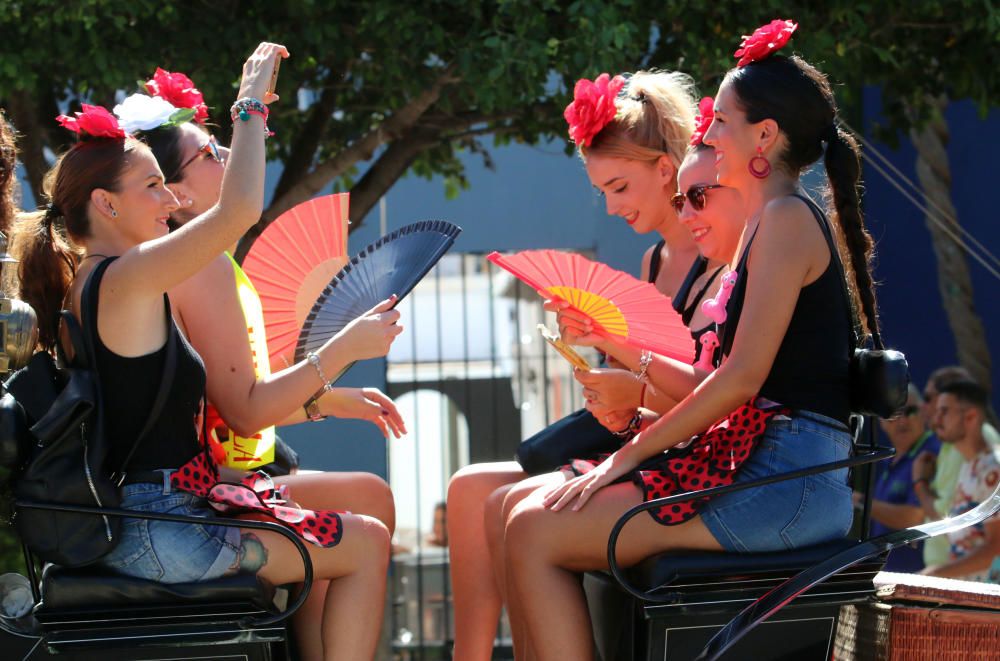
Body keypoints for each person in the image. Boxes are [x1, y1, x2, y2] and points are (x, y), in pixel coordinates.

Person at [499, 20, 879, 658]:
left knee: (536, 531)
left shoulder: (785, 219)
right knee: (524, 521)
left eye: (721, 122)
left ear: (765, 136)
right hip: (765, 469)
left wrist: (624, 458)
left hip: (789, 483)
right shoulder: (767, 225)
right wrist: (637, 390)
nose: (707, 133)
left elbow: (741, 382)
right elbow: (732, 385)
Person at [14, 43, 395, 660]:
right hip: (162, 531)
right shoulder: (126, 277)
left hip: (158, 516)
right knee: (367, 542)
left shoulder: (92, 280)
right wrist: (249, 104)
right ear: (106, 205)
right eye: (153, 187)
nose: (170, 202)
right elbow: (238, 209)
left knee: (354, 530)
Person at [112, 72, 407, 657]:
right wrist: (344, 348)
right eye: (208, 152)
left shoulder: (151, 265)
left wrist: (327, 401)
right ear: (176, 194)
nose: (225, 155)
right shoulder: (199, 264)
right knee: (366, 523)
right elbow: (243, 413)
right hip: (179, 503)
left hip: (160, 491)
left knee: (368, 499)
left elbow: (216, 403)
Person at [445, 69, 721, 661]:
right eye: (603, 192)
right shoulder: (655, 257)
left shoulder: (716, 249)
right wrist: (600, 359)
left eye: (620, 187)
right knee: (470, 490)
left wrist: (619, 362)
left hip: (677, 445)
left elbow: (703, 385)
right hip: (641, 429)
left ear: (665, 169)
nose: (611, 206)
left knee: (495, 503)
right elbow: (648, 378)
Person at [916, 365, 1000, 568]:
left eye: (943, 411)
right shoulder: (968, 465)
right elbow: (962, 536)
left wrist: (936, 575)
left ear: (971, 416)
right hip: (961, 590)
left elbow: (995, 547)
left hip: (983, 595)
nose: (935, 418)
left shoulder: (993, 467)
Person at [855, 385, 939, 572]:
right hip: (894, 579)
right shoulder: (891, 460)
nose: (902, 421)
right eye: (893, 415)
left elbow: (915, 517)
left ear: (923, 413)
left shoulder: (931, 453)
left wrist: (860, 501)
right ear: (881, 422)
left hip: (922, 580)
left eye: (910, 411)